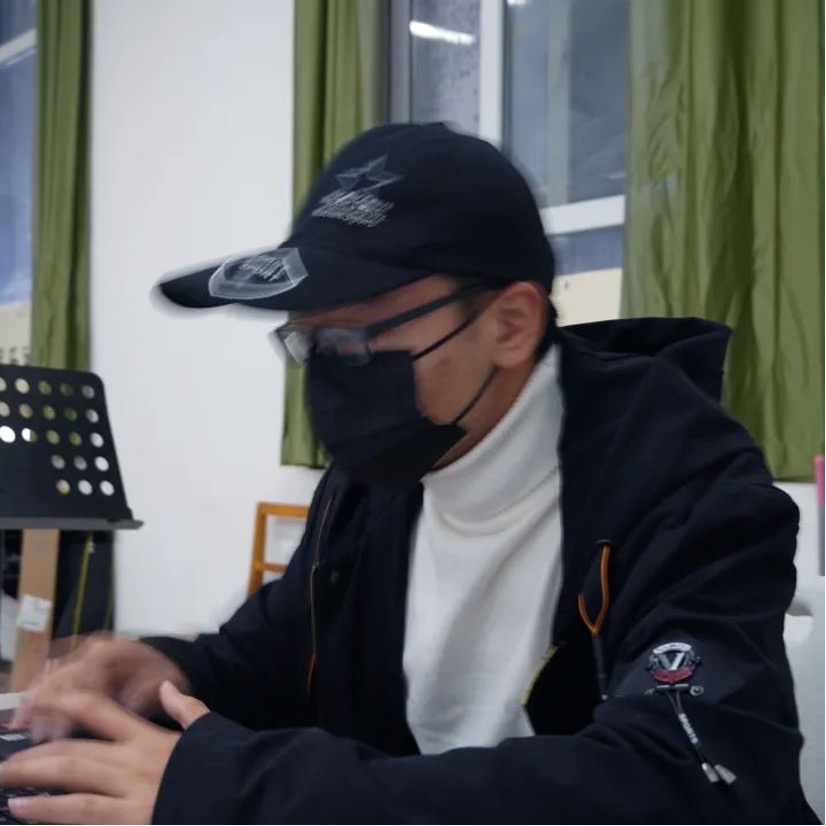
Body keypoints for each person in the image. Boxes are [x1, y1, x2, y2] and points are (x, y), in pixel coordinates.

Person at [2, 123, 815, 824]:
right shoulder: (382, 476)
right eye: (310, 343)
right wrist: (167, 669)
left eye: (355, 341)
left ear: (510, 323)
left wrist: (241, 795)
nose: (332, 379)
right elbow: (279, 650)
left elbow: (681, 779)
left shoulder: (688, 490)